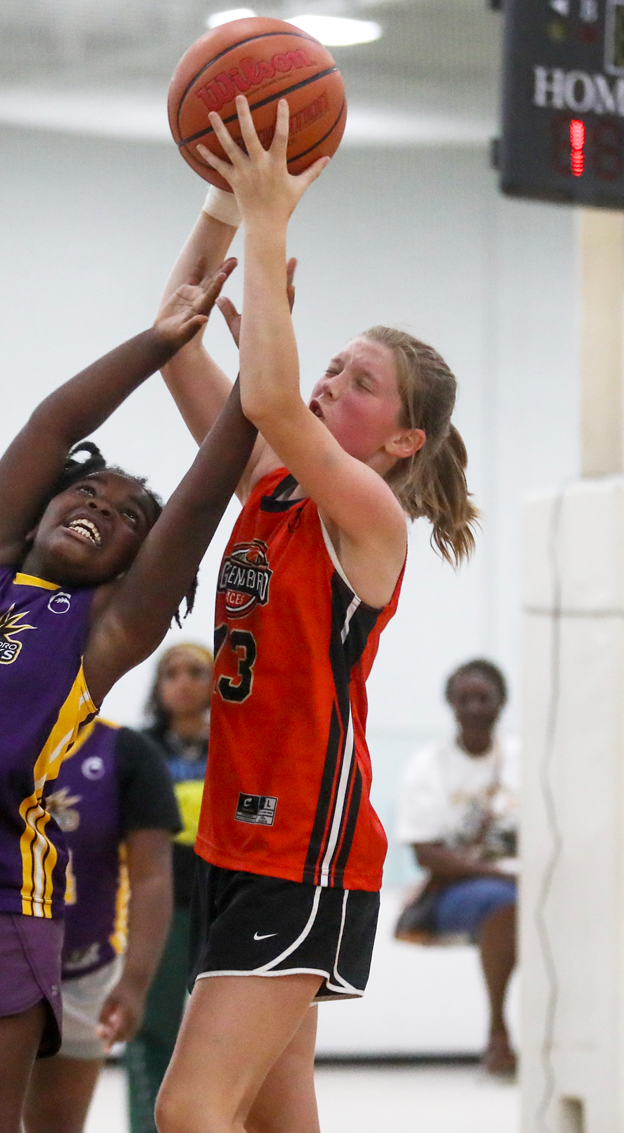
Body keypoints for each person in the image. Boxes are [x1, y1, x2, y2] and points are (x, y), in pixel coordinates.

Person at [0, 262, 258, 1133]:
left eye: (127, 518)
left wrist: (256, 387)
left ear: (134, 564)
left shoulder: (107, 627)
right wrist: (156, 344)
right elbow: (55, 421)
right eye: (86, 491)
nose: (102, 509)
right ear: (37, 510)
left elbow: (204, 499)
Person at [151, 97, 478, 1133]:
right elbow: (171, 337)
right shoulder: (266, 480)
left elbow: (275, 403)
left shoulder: (369, 515)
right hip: (245, 845)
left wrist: (269, 220)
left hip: (307, 842)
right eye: (331, 361)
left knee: (191, 1109)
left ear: (400, 440)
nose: (334, 375)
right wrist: (221, 191)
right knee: (272, 1115)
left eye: (362, 380)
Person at [22, 716, 181, 1133]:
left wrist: (133, 983)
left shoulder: (126, 752)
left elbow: (152, 876)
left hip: (84, 969)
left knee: (57, 1124)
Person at [395, 659, 518, 1075]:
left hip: (529, 884)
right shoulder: (428, 766)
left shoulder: (525, 758)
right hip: (457, 891)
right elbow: (426, 853)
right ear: (450, 704)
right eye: (464, 699)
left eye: (483, 698)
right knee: (505, 904)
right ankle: (498, 1031)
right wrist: (503, 875)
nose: (474, 708)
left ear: (502, 703)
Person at [125, 643, 213, 1133]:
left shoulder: (236, 743)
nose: (183, 682)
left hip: (221, 906)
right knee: (153, 1031)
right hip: (160, 910)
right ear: (157, 686)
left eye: (196, 672)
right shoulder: (139, 750)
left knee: (218, 1038)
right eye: (171, 673)